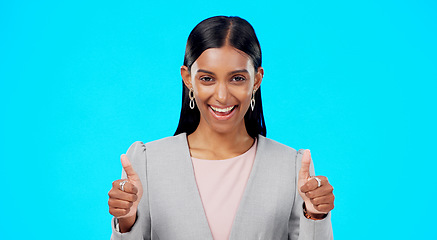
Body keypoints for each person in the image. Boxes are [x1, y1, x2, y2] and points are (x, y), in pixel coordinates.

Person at [108, 16, 334, 240]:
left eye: (237, 78)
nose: (222, 96)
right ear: (188, 79)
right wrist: (127, 222)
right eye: (207, 78)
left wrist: (315, 216)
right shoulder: (147, 162)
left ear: (256, 80)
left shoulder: (291, 166)